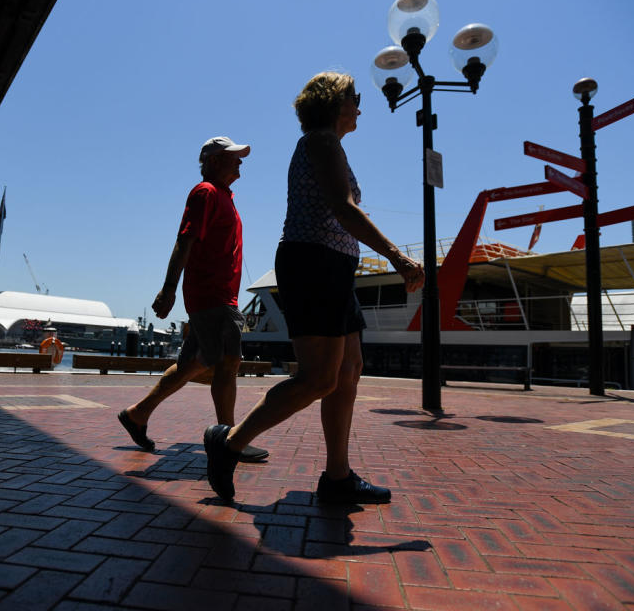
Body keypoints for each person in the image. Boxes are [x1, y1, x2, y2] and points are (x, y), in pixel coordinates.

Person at [203, 72, 425, 503]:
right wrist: (397, 257)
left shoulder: (331, 146)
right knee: (319, 377)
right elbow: (344, 210)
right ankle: (227, 442)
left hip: (334, 265)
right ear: (333, 103)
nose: (361, 106)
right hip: (313, 262)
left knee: (347, 371)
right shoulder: (321, 142)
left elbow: (343, 211)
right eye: (354, 98)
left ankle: (337, 477)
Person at [117, 136, 268, 462]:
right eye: (234, 157)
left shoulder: (224, 196)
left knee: (193, 364)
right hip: (212, 295)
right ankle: (229, 440)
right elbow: (184, 240)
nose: (240, 161)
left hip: (217, 294)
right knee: (229, 361)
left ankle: (137, 414)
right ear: (214, 161)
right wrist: (169, 287)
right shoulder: (206, 193)